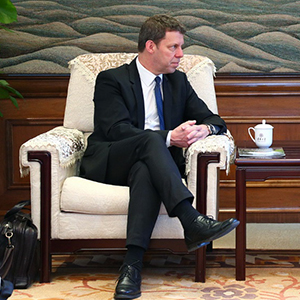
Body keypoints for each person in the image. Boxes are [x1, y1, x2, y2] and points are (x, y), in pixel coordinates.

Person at [80, 15, 239, 300]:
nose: (180, 54)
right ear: (151, 46)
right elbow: (116, 130)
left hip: (153, 165)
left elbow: (215, 119)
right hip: (112, 160)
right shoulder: (111, 80)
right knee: (151, 140)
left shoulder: (178, 81)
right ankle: (190, 218)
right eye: (173, 47)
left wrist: (205, 129)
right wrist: (168, 138)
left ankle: (131, 267)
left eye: (181, 47)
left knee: (146, 169)